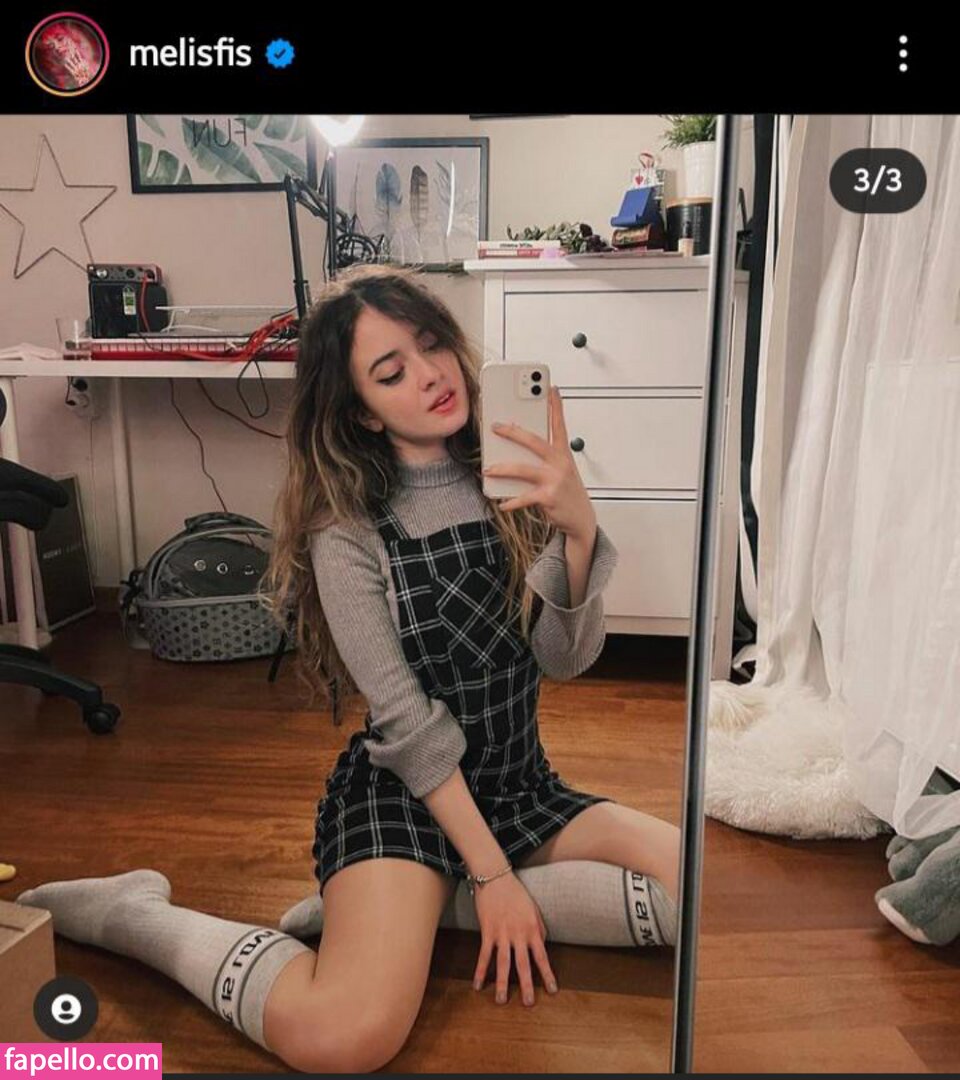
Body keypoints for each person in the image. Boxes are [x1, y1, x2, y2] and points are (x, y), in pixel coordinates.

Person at [17, 264, 680, 1074]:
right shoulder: (348, 531)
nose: (430, 375)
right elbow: (408, 726)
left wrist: (578, 531)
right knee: (340, 1037)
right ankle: (132, 913)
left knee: (698, 888)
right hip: (408, 797)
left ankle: (427, 907)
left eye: (432, 345)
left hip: (519, 787)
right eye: (391, 372)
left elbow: (563, 661)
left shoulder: (510, 482)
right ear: (362, 410)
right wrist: (495, 873)